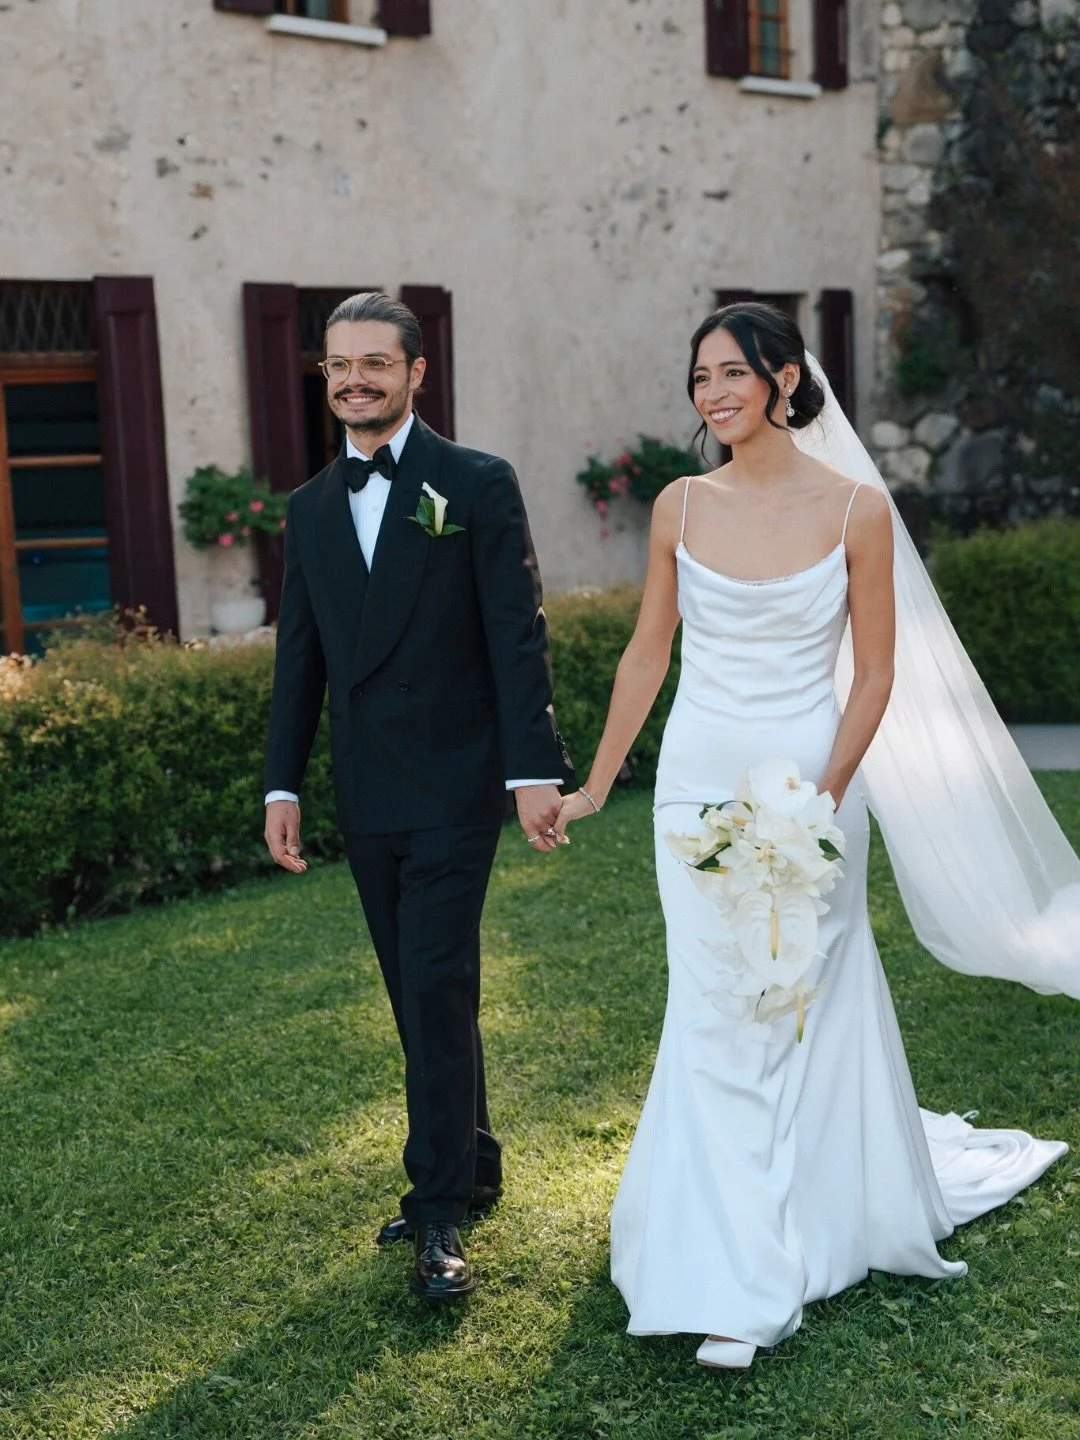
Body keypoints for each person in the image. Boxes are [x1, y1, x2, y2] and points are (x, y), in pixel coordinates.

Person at [555, 302, 1074, 1369]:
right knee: (711, 1007)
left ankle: (782, 1256)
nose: (712, 394)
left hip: (813, 794)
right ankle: (723, 1257)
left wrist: (825, 796)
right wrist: (599, 782)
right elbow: (647, 658)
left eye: (732, 374)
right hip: (692, 793)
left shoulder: (856, 512)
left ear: (786, 380)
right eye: (698, 378)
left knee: (797, 1000)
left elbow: (876, 672)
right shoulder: (680, 507)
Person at [264, 291, 573, 1301]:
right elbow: (298, 662)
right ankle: (473, 1157)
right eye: (339, 365)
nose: (355, 379)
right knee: (415, 988)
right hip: (367, 789)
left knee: (436, 980)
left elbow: (514, 634)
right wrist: (284, 784)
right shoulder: (308, 507)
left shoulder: (474, 483)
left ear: (415, 373)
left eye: (375, 364)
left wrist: (533, 771)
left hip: (453, 781)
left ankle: (438, 1207)